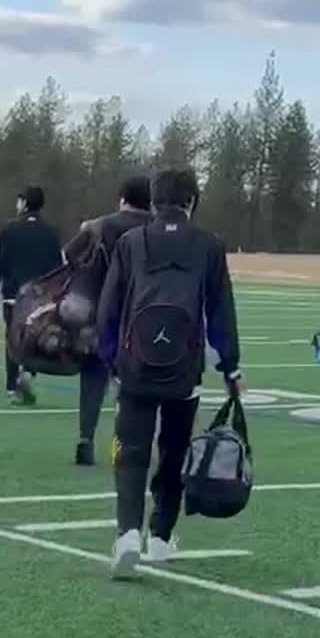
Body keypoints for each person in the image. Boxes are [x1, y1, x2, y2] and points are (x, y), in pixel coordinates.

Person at [96, 167, 240, 579]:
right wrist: (231, 366)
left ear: (154, 202)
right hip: (184, 370)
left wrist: (111, 360)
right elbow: (220, 313)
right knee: (174, 452)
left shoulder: (130, 242)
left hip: (136, 367)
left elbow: (109, 308)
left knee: (130, 450)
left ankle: (126, 534)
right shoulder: (210, 246)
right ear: (192, 201)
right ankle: (160, 536)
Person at [63, 174, 152, 466]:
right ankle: (124, 447)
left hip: (99, 310)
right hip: (141, 313)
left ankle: (85, 437)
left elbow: (69, 254)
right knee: (134, 384)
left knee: (93, 376)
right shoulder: (156, 229)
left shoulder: (99, 225)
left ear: (122, 198)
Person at [0, 187, 63, 404]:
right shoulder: (51, 231)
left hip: (14, 295)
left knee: (13, 340)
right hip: (41, 296)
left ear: (25, 203)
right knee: (36, 339)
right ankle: (28, 375)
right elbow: (57, 266)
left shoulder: (9, 229)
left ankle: (12, 386)